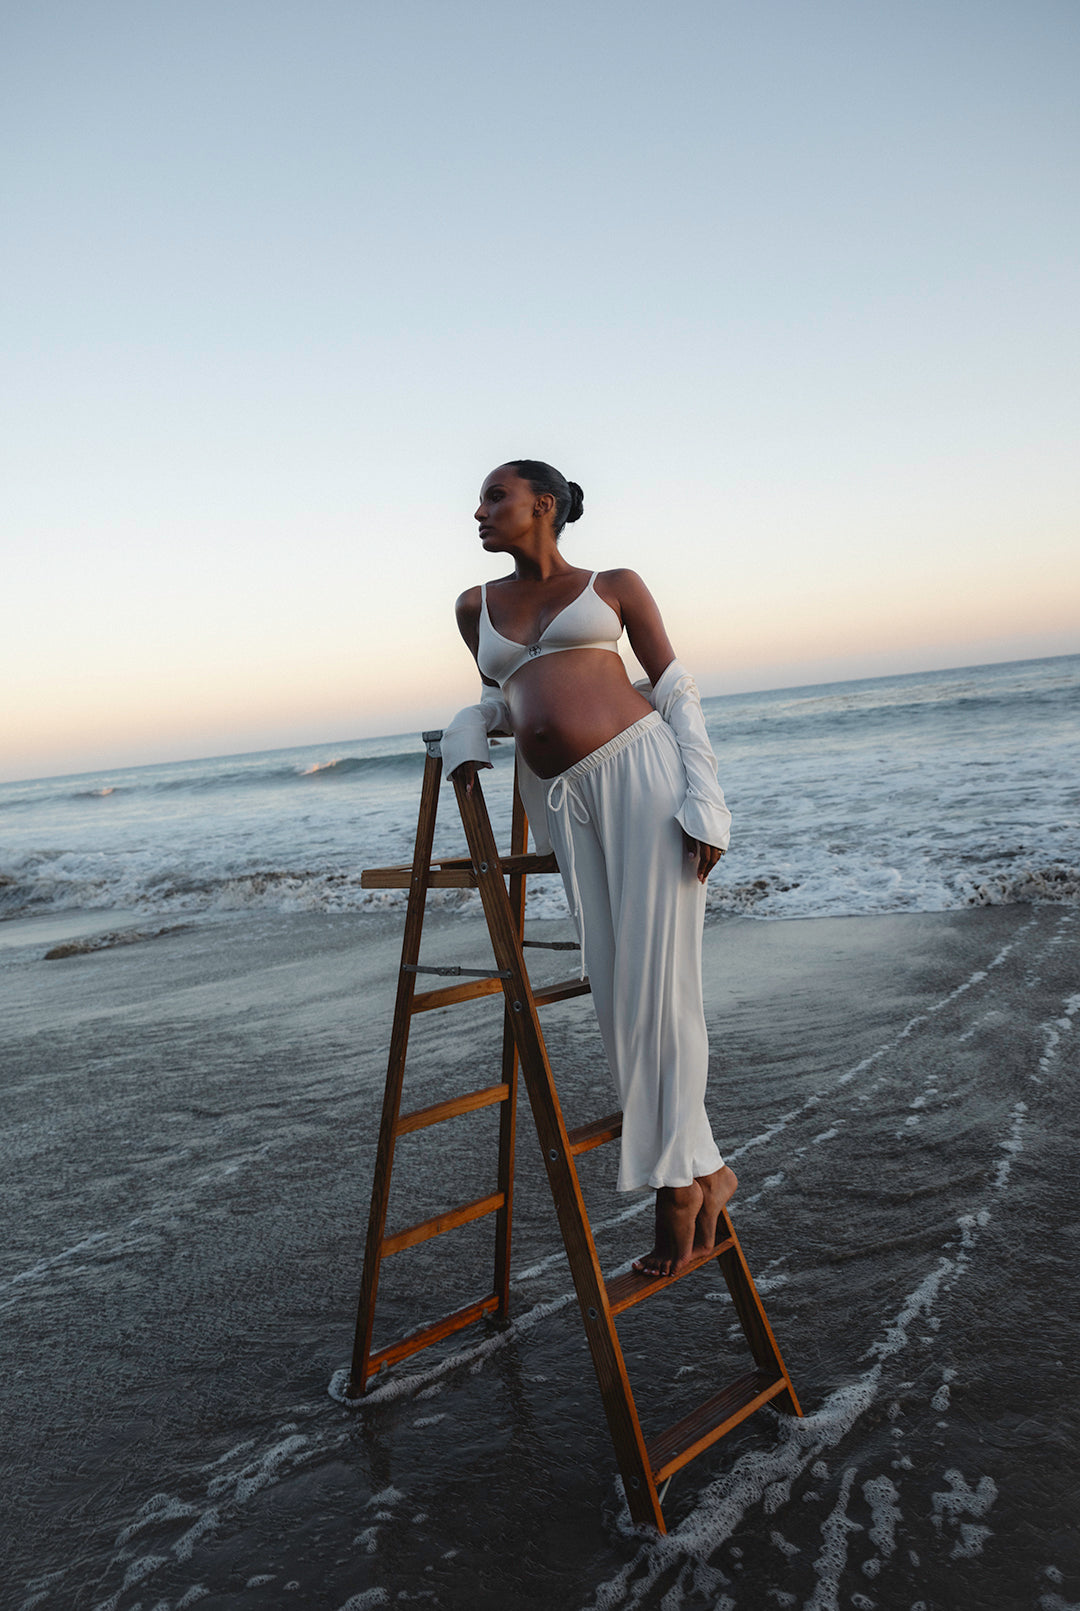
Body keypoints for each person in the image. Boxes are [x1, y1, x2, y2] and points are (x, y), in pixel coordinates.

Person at [441, 460, 736, 1276]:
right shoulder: (475, 607)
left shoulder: (614, 586)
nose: (478, 510)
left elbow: (675, 690)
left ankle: (679, 1188)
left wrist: (706, 803)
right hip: (560, 797)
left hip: (645, 776)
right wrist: (472, 721)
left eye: (494, 497)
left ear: (543, 505)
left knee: (662, 982)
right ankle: (707, 1170)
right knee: (614, 986)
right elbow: (515, 695)